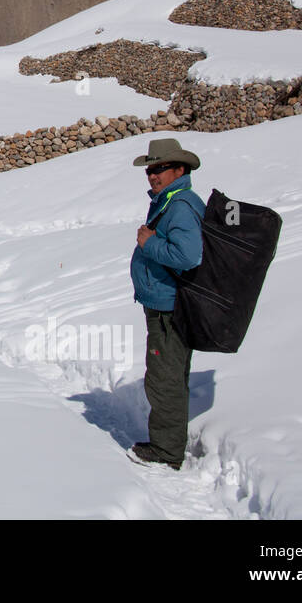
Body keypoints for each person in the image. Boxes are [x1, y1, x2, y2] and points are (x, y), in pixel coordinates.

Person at [127, 138, 206, 470]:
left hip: (169, 308)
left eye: (159, 168)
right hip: (164, 304)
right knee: (167, 375)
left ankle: (166, 451)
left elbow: (188, 256)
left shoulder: (181, 205)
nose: (153, 175)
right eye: (150, 170)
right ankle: (168, 443)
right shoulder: (171, 200)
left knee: (164, 378)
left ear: (180, 169)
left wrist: (150, 243)